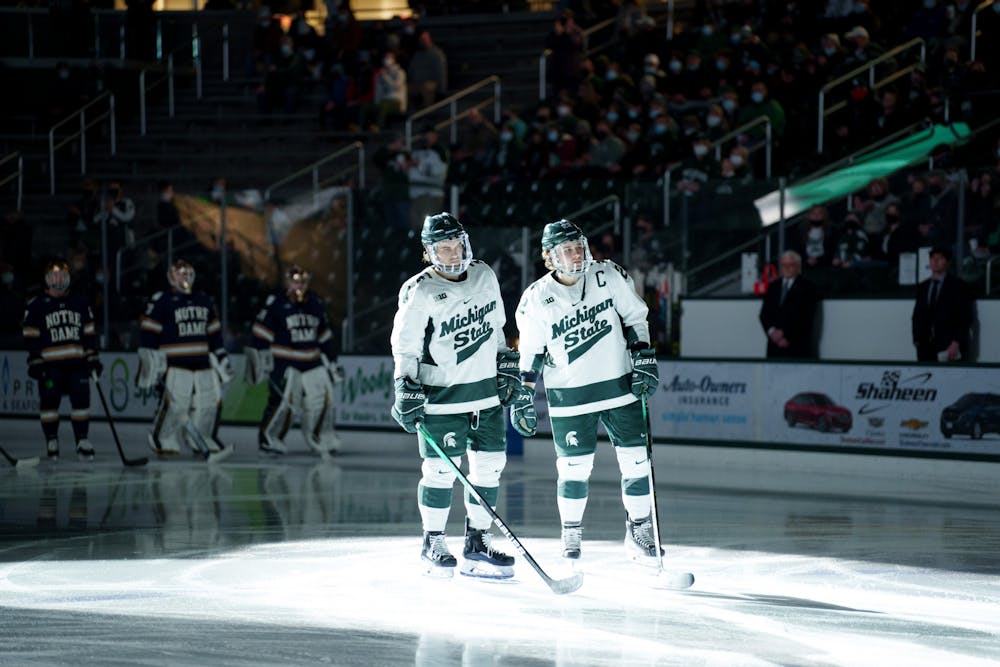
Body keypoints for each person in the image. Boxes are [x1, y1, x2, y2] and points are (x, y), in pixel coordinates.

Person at [511, 219, 662, 566]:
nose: (576, 255)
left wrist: (643, 356)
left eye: (578, 246)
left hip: (619, 385)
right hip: (570, 395)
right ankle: (571, 531)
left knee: (637, 461)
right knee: (574, 469)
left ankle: (639, 529)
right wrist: (524, 395)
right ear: (550, 257)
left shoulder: (608, 275)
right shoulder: (536, 297)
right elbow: (531, 352)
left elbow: (635, 316)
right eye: (566, 250)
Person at [389, 212, 518, 579]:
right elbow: (406, 347)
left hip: (485, 395)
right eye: (442, 248)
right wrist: (404, 385)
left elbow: (495, 329)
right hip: (442, 398)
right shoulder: (420, 289)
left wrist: (505, 362)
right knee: (441, 470)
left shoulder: (484, 275)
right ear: (430, 252)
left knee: (490, 469)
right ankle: (433, 540)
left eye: (455, 244)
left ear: (465, 242)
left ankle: (477, 541)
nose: (451, 253)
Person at [138, 259, 234, 459]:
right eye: (181, 273)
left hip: (202, 362)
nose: (185, 277)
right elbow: (149, 333)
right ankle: (162, 438)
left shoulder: (204, 300)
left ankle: (203, 438)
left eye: (188, 273)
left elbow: (214, 335)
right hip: (174, 363)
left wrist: (221, 356)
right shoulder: (162, 300)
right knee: (176, 404)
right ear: (171, 276)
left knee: (209, 402)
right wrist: (150, 362)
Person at [247, 265, 343, 456]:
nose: (299, 285)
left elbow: (324, 336)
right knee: (286, 403)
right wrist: (262, 360)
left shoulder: (315, 302)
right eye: (295, 281)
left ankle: (320, 437)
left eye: (303, 281)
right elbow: (259, 334)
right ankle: (269, 439)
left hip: (312, 359)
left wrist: (331, 360)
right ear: (287, 282)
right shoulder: (276, 303)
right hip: (284, 361)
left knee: (324, 398)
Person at [22, 260, 101, 461]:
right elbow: (31, 338)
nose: (58, 280)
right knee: (49, 403)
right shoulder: (36, 305)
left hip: (77, 364)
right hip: (51, 367)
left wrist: (92, 358)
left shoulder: (81, 303)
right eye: (54, 276)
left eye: (62, 276)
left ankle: (82, 440)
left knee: (82, 401)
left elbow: (89, 334)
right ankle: (51, 439)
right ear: (47, 280)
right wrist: (36, 362)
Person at [912, 246, 975, 362]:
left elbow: (965, 317)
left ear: (947, 262)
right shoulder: (923, 286)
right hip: (925, 346)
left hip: (949, 345)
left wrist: (956, 342)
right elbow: (917, 315)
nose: (935, 262)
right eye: (933, 258)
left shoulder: (958, 286)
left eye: (940, 258)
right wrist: (917, 339)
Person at [758, 250, 819, 359]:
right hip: (774, 347)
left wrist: (785, 334)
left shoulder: (808, 287)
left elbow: (806, 317)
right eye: (784, 265)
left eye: (790, 265)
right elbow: (764, 314)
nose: (786, 268)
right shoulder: (773, 287)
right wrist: (773, 333)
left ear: (798, 267)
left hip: (796, 346)